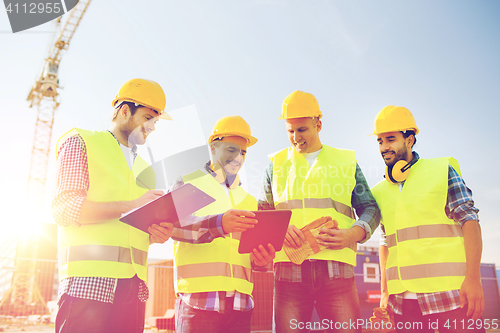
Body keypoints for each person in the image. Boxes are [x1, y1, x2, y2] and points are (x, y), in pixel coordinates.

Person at [51, 78, 176, 333]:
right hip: (88, 283)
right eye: (148, 117)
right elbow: (64, 208)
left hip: (133, 288)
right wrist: (131, 205)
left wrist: (154, 235)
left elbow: (129, 230)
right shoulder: (81, 142)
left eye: (156, 121)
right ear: (125, 111)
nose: (152, 127)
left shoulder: (146, 171)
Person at [258, 91, 381, 333]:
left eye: (302, 129)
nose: (295, 137)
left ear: (318, 124)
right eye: (290, 131)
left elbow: (370, 208)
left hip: (336, 269)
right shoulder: (275, 164)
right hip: (288, 272)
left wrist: (352, 234)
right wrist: (278, 231)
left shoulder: (345, 162)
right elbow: (262, 215)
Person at [370, 105, 485, 333]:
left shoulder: (441, 171)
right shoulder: (379, 191)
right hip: (403, 304)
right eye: (380, 141)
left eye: (391, 139)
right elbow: (386, 242)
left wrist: (473, 279)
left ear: (410, 140)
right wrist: (385, 292)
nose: (385, 147)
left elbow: (469, 220)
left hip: (452, 297)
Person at [171, 115, 276, 333]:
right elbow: (173, 225)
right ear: (214, 147)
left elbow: (249, 254)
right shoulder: (191, 183)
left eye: (243, 152)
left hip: (240, 305)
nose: (238, 157)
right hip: (198, 301)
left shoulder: (249, 201)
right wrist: (220, 224)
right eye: (231, 149)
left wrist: (262, 260)